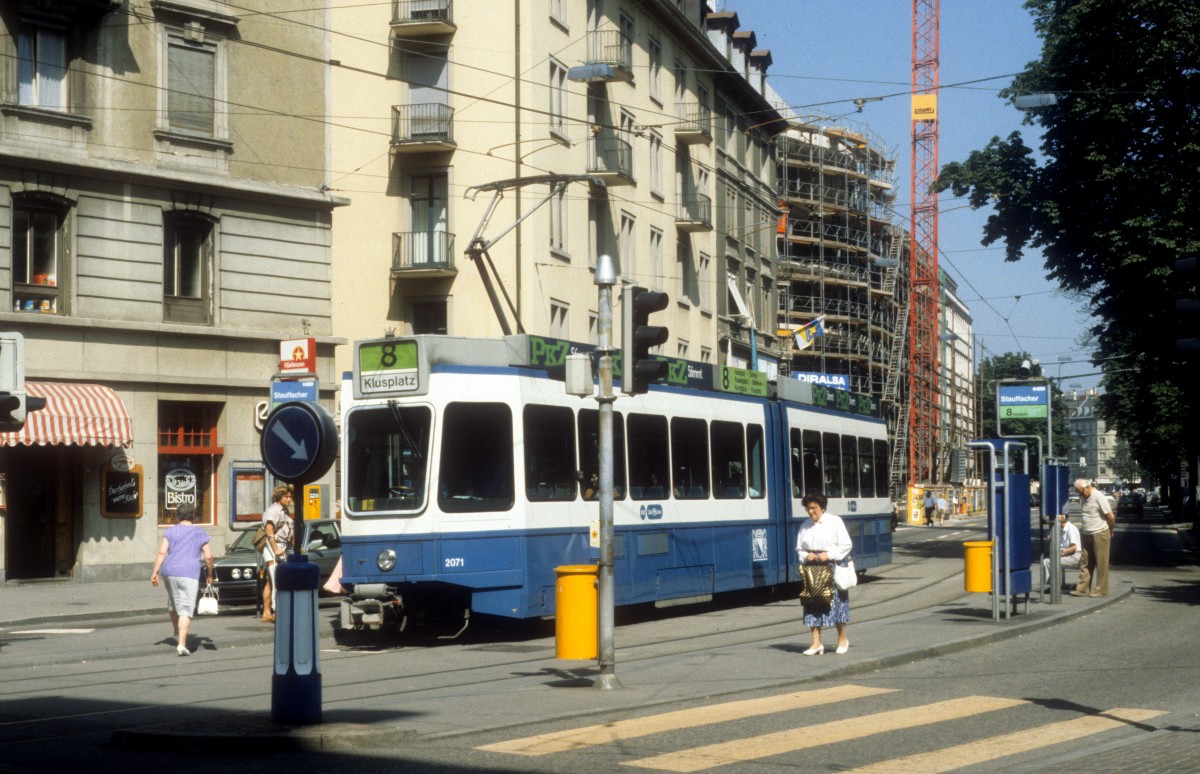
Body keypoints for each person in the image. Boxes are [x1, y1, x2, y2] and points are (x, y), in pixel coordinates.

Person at [150, 503, 214, 656]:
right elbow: (208, 557)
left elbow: (161, 553)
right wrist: (210, 575)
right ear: (194, 516)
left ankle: (176, 632)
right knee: (186, 607)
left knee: (174, 602)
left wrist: (155, 572)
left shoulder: (170, 531)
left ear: (177, 516)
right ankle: (181, 644)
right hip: (189, 572)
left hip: (169, 571)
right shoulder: (200, 532)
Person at [795, 492, 853, 655]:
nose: (811, 511)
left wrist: (830, 554)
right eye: (808, 508)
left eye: (814, 508)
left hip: (831, 567)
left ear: (822, 507)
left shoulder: (835, 522)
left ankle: (842, 639)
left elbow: (846, 545)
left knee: (836, 604)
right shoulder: (805, 525)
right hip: (812, 569)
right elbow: (799, 549)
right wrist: (806, 556)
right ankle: (816, 643)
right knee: (812, 604)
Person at [1071, 479, 1115, 597]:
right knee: (1085, 561)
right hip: (1086, 533)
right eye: (1077, 492)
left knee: (1101, 562)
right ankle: (1082, 589)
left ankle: (1101, 590)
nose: (1079, 494)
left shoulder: (1098, 496)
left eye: (1080, 492)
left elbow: (1110, 516)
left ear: (1087, 487)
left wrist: (1110, 530)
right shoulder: (1083, 497)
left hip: (1100, 532)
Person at [261, 484, 294, 622]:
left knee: (270, 581)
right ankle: (277, 611)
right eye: (286, 497)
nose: (289, 500)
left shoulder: (285, 511)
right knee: (277, 579)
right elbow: (269, 530)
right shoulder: (273, 510)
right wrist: (275, 549)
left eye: (290, 497)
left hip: (281, 546)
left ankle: (266, 612)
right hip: (272, 547)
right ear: (279, 497)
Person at [1043, 512, 1083, 591]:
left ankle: (1053, 586)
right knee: (1048, 561)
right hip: (1067, 555)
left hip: (1074, 556)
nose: (1053, 520)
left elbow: (1073, 547)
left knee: (1048, 562)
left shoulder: (1071, 528)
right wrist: (1051, 538)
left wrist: (1060, 553)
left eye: (1055, 517)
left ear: (1062, 517)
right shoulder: (1060, 529)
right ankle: (1054, 585)